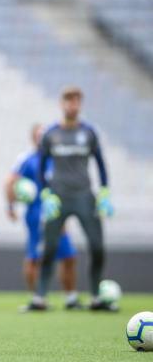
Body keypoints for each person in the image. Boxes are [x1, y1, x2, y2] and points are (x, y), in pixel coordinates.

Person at [31, 86, 115, 311]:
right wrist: (46, 192)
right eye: (68, 101)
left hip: (84, 196)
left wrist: (104, 191)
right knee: (49, 248)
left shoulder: (88, 132)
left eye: (76, 101)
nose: (72, 105)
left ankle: (96, 297)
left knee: (97, 247)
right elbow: (40, 166)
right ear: (62, 104)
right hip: (58, 197)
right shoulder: (51, 133)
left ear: (80, 104)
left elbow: (100, 163)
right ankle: (40, 297)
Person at [5, 124, 80, 311]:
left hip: (57, 212)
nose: (42, 138)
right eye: (38, 135)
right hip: (36, 213)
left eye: (44, 135)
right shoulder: (27, 159)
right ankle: (37, 298)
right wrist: (11, 205)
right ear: (33, 138)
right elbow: (10, 181)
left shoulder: (58, 158)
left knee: (69, 255)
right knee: (34, 256)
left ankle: (71, 298)